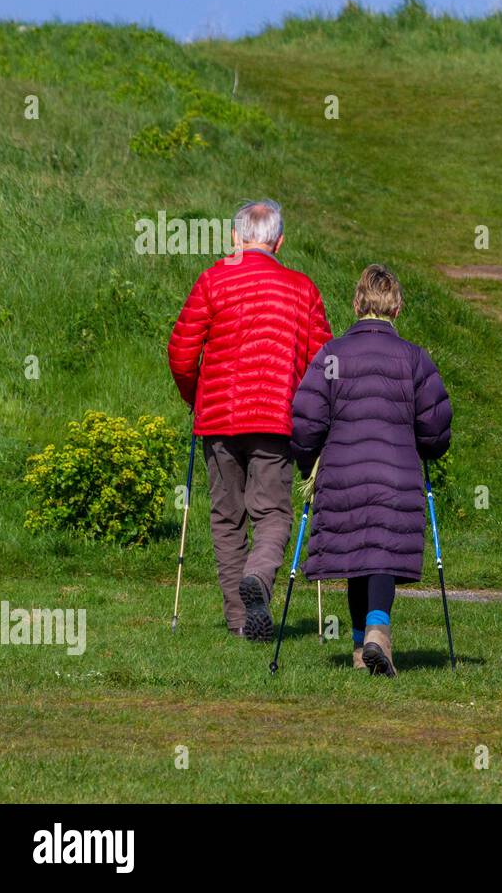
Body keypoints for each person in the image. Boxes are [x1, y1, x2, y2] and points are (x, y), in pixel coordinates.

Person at [167, 200, 332, 640]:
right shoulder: (302, 288)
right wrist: (317, 421)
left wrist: (195, 399)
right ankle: (258, 579)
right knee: (273, 512)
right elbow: (323, 365)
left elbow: (181, 353)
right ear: (279, 241)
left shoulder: (212, 281)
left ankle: (240, 621)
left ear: (235, 238)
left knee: (227, 518)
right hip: (277, 418)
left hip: (219, 420)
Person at [290, 265, 452, 676]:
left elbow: (307, 419)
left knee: (355, 554)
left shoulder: (331, 355)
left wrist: (307, 462)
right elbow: (435, 427)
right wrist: (430, 446)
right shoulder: (413, 358)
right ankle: (378, 630)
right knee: (380, 549)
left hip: (343, 472)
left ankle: (362, 646)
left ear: (357, 304)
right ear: (396, 307)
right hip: (396, 473)